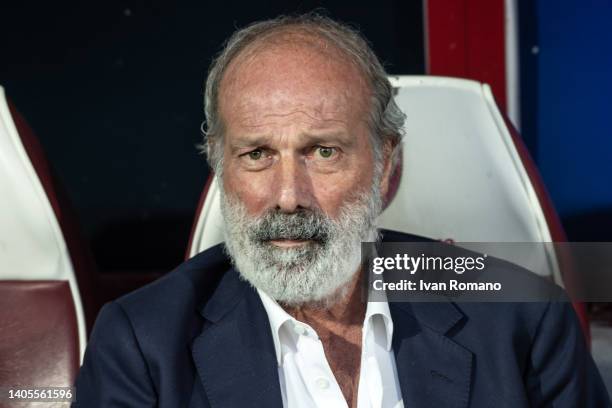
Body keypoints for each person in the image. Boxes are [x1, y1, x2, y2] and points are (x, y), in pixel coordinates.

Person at [73, 14, 610, 407]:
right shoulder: (141, 343)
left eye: (323, 152)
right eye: (257, 154)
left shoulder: (524, 318)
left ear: (384, 165)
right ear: (220, 165)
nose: (288, 196)